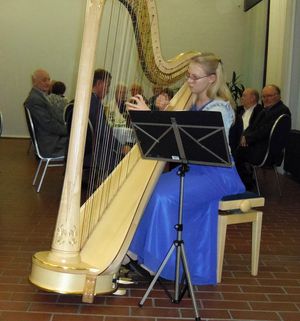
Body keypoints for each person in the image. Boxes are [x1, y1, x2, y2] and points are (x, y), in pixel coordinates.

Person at [126, 53, 245, 285]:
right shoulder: (190, 102)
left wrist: (154, 115)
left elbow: (188, 138)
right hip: (192, 171)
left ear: (211, 79)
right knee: (147, 189)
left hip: (218, 174)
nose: (188, 82)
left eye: (194, 77)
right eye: (187, 76)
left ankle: (156, 263)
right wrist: (161, 113)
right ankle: (136, 250)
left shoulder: (220, 108)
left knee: (163, 196)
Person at [235, 84, 291, 189]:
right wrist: (243, 136)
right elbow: (252, 127)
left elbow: (265, 131)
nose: (265, 99)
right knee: (235, 149)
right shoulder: (266, 110)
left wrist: (246, 139)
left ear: (278, 96)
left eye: (269, 96)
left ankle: (246, 185)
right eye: (264, 96)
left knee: (235, 153)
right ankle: (243, 183)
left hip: (266, 152)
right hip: (259, 146)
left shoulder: (282, 111)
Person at [24, 69, 68, 157]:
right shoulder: (35, 99)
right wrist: (68, 130)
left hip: (52, 140)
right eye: (44, 80)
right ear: (34, 81)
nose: (48, 83)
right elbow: (49, 124)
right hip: (51, 145)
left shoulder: (39, 96)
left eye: (49, 79)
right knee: (84, 143)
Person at [229, 88, 263, 157]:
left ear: (253, 98)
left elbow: (258, 130)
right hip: (236, 138)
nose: (241, 98)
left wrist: (245, 137)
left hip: (248, 142)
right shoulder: (238, 110)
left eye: (244, 96)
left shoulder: (260, 112)